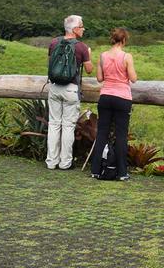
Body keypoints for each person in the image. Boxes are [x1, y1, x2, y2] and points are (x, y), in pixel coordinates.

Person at [90, 27, 138, 181]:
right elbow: (133, 78)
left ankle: (96, 170)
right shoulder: (127, 56)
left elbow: (99, 78)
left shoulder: (103, 56)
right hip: (122, 97)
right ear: (124, 40)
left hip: (105, 96)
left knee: (102, 133)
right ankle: (122, 172)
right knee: (121, 135)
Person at [46, 14, 93, 170]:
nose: (83, 29)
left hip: (54, 87)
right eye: (81, 26)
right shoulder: (82, 47)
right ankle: (65, 163)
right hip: (71, 89)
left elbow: (50, 65)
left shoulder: (53, 43)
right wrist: (89, 55)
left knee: (53, 125)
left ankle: (51, 161)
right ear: (74, 29)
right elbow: (89, 70)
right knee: (68, 126)